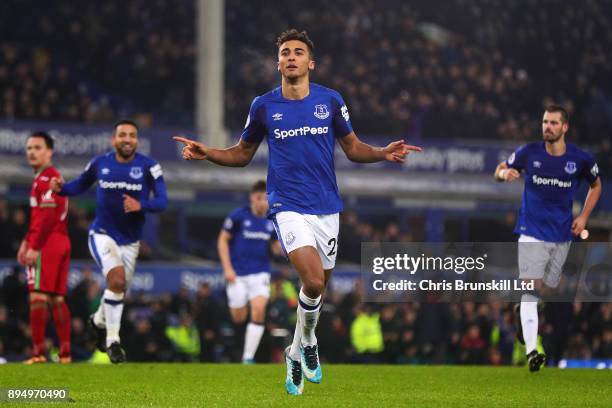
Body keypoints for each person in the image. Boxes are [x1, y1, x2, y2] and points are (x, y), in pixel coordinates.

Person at [174, 29, 421, 395]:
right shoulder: (264, 105)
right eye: (285, 52)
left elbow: (352, 148)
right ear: (278, 63)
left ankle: (294, 349)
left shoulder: (330, 100)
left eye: (298, 52)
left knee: (318, 289)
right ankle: (308, 344)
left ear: (310, 63)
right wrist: (207, 151)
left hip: (327, 206)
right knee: (314, 281)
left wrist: (383, 152)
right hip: (286, 204)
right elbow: (242, 154)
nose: (291, 56)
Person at [50, 120, 168, 363]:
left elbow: (163, 201)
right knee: (116, 279)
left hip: (131, 241)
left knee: (118, 289)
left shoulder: (150, 166)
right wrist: (61, 189)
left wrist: (141, 204)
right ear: (113, 140)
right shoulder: (100, 163)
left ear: (137, 140)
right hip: (102, 233)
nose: (127, 139)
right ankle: (113, 341)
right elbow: (79, 185)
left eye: (132, 135)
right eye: (122, 135)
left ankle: (98, 321)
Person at [494, 105, 601, 372]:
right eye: (544, 122)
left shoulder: (580, 159)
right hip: (530, 231)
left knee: (547, 288)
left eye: (553, 123)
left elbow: (596, 185)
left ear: (565, 127)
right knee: (531, 289)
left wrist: (584, 217)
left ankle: (524, 319)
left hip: (561, 234)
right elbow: (498, 169)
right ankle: (532, 351)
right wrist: (505, 173)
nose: (547, 127)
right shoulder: (529, 152)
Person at [17, 131, 72, 364]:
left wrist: (35, 246)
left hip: (48, 241)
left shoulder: (47, 179)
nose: (32, 152)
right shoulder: (48, 178)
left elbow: (48, 216)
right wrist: (25, 241)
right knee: (57, 299)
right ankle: (65, 354)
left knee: (37, 297)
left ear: (49, 152)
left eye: (37, 148)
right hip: (61, 240)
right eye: (29, 148)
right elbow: (40, 217)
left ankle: (38, 353)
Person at [218, 180, 282, 363]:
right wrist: (227, 268)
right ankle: (242, 348)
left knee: (259, 310)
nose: (262, 202)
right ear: (252, 198)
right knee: (239, 317)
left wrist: (280, 249)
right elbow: (222, 240)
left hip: (260, 273)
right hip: (237, 274)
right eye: (259, 198)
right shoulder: (239, 216)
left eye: (265, 198)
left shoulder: (272, 220)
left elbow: (276, 246)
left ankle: (248, 357)